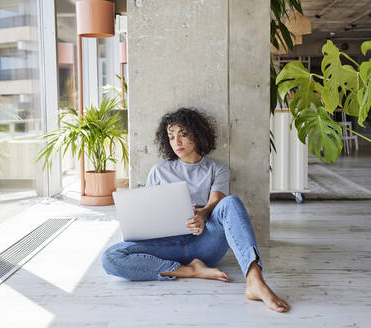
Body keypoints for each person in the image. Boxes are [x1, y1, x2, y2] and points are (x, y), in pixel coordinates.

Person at [102, 107, 290, 313]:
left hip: (203, 244)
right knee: (111, 257)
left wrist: (203, 214)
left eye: (183, 134)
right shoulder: (159, 171)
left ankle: (255, 280)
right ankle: (189, 271)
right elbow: (149, 210)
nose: (177, 142)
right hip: (166, 246)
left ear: (198, 134)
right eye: (171, 137)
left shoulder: (217, 169)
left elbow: (216, 203)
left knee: (231, 202)